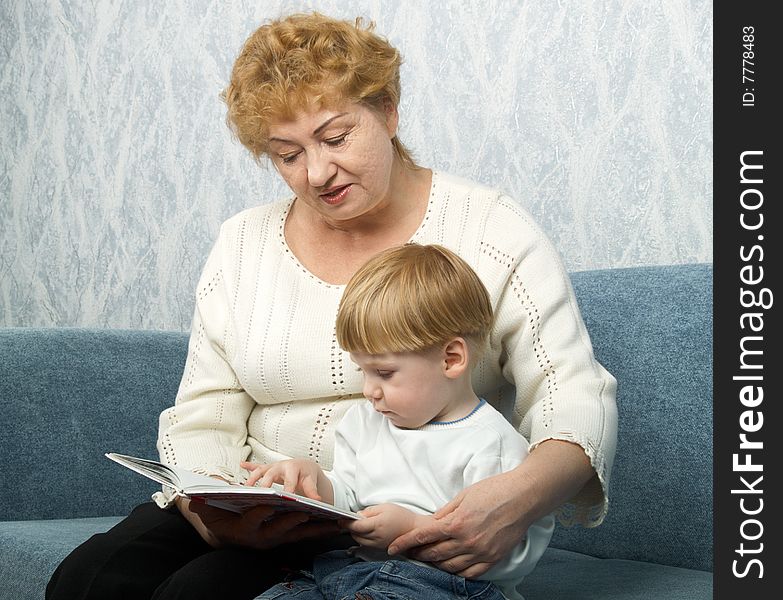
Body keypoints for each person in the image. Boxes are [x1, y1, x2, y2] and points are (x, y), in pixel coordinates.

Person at [46, 11, 617, 600]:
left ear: (388, 111)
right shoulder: (242, 242)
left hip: (387, 521)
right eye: (287, 154)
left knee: (199, 594)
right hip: (255, 501)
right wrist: (209, 508)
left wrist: (515, 500)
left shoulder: (490, 227)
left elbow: (570, 388)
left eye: (336, 137)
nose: (317, 173)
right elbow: (204, 411)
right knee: (86, 580)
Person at [245, 242, 555, 600]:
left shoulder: (490, 443)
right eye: (361, 371)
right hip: (351, 571)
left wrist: (411, 530)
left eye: (384, 373)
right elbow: (350, 498)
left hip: (444, 586)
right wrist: (317, 483)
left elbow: (510, 554)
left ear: (452, 359)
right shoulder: (364, 423)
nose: (369, 391)